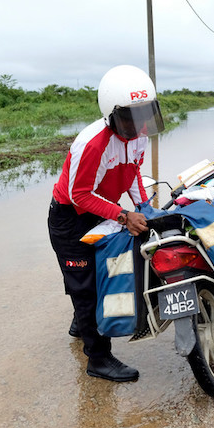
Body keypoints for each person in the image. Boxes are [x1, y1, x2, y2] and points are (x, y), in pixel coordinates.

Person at [47, 64, 165, 382]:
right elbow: (78, 195)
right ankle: (98, 359)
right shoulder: (93, 144)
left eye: (144, 114)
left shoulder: (138, 137)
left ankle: (79, 324)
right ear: (111, 113)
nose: (139, 124)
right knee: (86, 286)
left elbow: (133, 174)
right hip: (71, 218)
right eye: (130, 116)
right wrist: (124, 216)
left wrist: (145, 207)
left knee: (98, 273)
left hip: (101, 211)